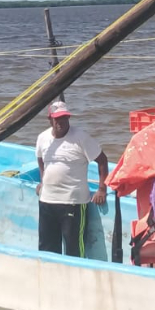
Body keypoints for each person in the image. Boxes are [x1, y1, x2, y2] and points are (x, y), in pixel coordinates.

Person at [35, 100, 109, 256]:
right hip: (47, 202)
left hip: (73, 203)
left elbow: (102, 160)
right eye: (57, 119)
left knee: (74, 250)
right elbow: (41, 159)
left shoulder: (81, 137)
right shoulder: (42, 137)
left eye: (64, 118)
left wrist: (102, 189)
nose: (61, 122)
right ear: (50, 119)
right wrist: (43, 181)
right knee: (46, 250)